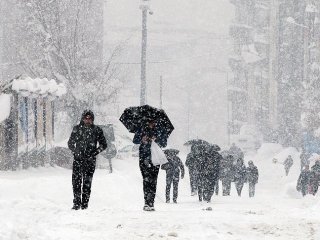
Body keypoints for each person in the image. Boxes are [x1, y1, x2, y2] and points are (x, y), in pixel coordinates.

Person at [68, 110, 107, 210]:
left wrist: (94, 153)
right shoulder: (77, 129)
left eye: (90, 118)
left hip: (90, 161)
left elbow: (104, 145)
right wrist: (75, 152)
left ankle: (85, 204)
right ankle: (76, 203)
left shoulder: (97, 130)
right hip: (78, 159)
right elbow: (70, 143)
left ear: (92, 119)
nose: (88, 120)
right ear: (83, 118)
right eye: (86, 118)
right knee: (76, 182)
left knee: (87, 183)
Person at [133, 119, 167, 211]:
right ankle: (147, 202)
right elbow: (135, 140)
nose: (152, 123)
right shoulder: (141, 129)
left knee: (153, 180)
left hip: (155, 159)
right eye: (150, 122)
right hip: (144, 158)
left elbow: (164, 143)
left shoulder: (160, 130)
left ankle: (151, 202)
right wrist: (142, 138)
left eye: (153, 122)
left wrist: (156, 140)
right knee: (146, 180)